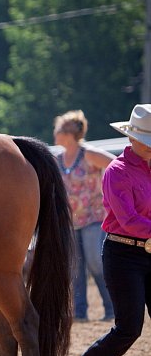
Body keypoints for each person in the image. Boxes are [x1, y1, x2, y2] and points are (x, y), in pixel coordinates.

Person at [63, 104, 151, 356]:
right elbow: (128, 220)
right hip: (123, 253)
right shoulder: (117, 172)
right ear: (136, 140)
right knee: (128, 328)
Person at [53, 110, 115, 322]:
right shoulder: (57, 159)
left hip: (94, 218)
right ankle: (80, 312)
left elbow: (115, 164)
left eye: (59, 129)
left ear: (69, 134)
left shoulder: (89, 154)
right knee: (75, 267)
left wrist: (110, 191)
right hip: (69, 221)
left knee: (95, 262)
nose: (55, 133)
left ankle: (111, 308)